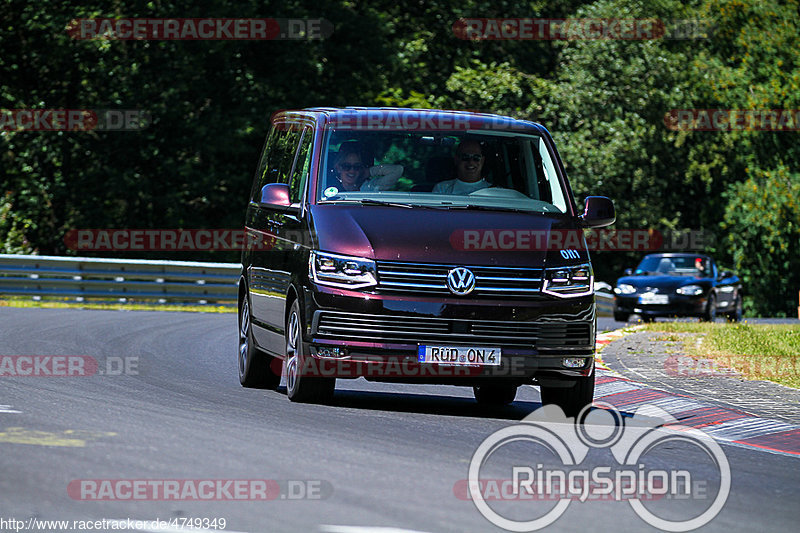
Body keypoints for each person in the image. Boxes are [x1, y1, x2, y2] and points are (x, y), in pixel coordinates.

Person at [329, 141, 403, 193]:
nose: (352, 171)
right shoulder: (328, 186)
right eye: (346, 166)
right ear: (338, 167)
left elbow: (398, 170)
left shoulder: (371, 187)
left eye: (357, 166)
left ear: (362, 169)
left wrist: (369, 172)